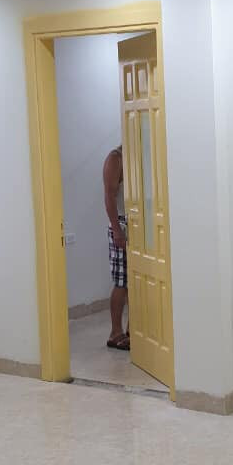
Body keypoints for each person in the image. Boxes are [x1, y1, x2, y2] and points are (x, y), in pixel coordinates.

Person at [103, 144, 128, 350]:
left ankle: (132, 331)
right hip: (120, 224)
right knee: (121, 282)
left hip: (137, 222)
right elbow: (109, 196)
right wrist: (117, 230)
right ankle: (115, 332)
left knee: (136, 281)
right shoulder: (115, 159)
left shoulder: (140, 157)